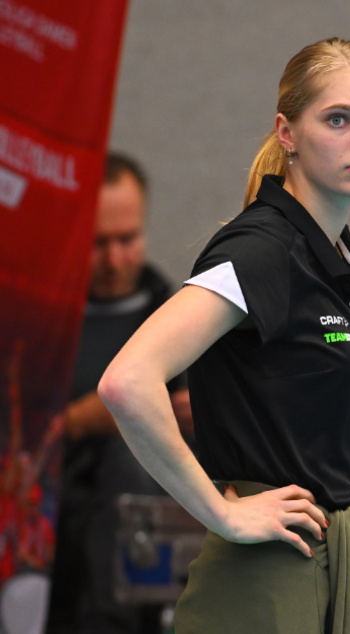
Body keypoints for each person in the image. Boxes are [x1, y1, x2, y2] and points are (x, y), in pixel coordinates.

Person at [98, 38, 350, 634]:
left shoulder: (330, 256)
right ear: (286, 132)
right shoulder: (264, 250)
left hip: (331, 570)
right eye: (338, 119)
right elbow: (128, 382)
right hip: (271, 581)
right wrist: (223, 514)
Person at [46, 152, 192, 634]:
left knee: (130, 456)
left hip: (147, 536)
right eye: (97, 244)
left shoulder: (178, 321)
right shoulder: (34, 324)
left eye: (127, 240)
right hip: (49, 543)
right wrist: (82, 420)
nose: (114, 261)